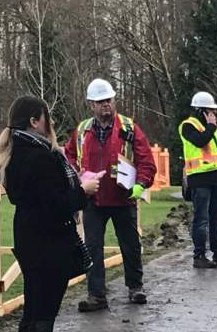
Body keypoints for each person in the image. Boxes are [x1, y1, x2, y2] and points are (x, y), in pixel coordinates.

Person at [0, 96, 102, 332]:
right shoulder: (40, 157)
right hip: (48, 243)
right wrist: (83, 191)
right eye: (47, 117)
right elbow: (56, 204)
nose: (50, 123)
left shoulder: (14, 153)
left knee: (31, 315)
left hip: (29, 239)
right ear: (34, 120)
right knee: (43, 316)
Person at [64, 77, 156, 311]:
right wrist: (77, 177)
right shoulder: (82, 131)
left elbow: (146, 160)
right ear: (91, 105)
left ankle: (135, 287)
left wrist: (141, 184)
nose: (106, 105)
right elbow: (68, 157)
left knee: (130, 244)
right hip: (93, 199)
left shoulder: (129, 128)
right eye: (101, 101)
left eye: (109, 100)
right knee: (93, 247)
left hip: (123, 197)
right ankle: (96, 295)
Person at [179, 91, 217, 269]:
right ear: (201, 111)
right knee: (201, 219)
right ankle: (199, 255)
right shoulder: (188, 126)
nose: (213, 114)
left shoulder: (211, 126)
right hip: (200, 180)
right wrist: (210, 127)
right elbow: (200, 142)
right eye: (210, 111)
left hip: (216, 178)